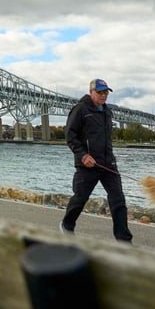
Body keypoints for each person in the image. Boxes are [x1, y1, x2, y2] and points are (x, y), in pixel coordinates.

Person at [60, 78, 133, 242]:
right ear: (91, 92)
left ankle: (124, 241)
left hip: (108, 165)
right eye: (100, 92)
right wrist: (83, 155)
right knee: (80, 198)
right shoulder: (80, 109)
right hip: (88, 164)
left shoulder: (107, 111)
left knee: (118, 200)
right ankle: (66, 225)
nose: (103, 95)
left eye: (106, 92)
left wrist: (111, 158)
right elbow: (70, 136)